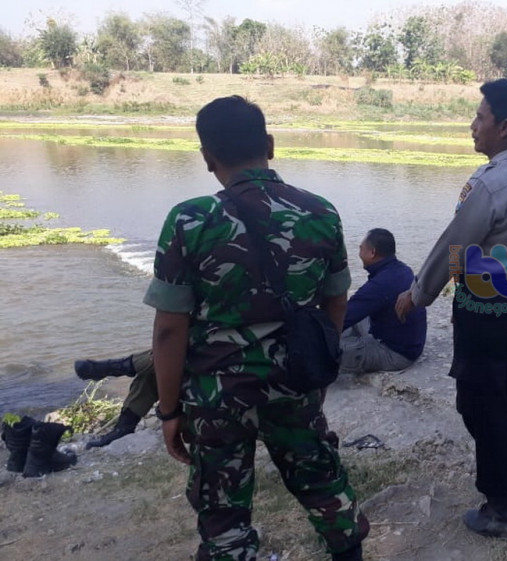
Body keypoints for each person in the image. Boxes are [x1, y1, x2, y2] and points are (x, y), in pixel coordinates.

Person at [143, 95, 368, 560]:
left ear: (207, 157)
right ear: (269, 144)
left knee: (222, 509)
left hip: (216, 394)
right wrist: (319, 374)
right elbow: (336, 301)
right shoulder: (321, 212)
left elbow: (169, 330)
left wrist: (168, 411)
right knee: (322, 482)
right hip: (295, 381)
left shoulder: (190, 219)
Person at [75, 228, 427, 448]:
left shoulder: (384, 280)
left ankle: (120, 370)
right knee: (182, 351)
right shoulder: (395, 271)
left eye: (361, 247)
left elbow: (343, 311)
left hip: (392, 347)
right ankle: (122, 385)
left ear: (372, 253)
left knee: (310, 347)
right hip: (384, 331)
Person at [394, 79, 507, 540]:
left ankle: (501, 508)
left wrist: (417, 293)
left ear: (504, 126)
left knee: (481, 402)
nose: (473, 125)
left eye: (480, 117)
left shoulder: (488, 183)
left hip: (484, 307)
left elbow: (455, 246)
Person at [340, 228, 427, 374]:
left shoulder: (381, 284)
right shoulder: (402, 269)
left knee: (321, 350)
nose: (359, 253)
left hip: (396, 353)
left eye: (361, 248)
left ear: (372, 252)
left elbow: (343, 317)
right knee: (349, 315)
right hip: (409, 342)